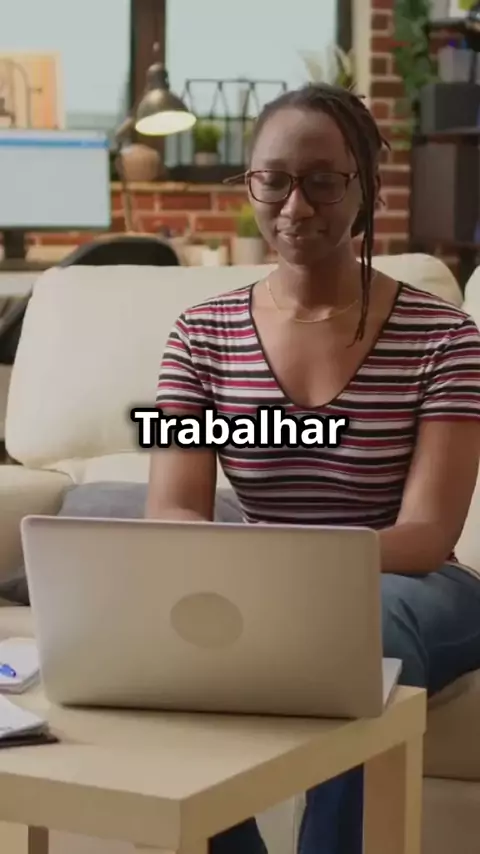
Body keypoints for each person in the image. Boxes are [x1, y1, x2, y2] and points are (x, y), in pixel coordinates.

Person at [146, 83, 480, 854]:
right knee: (167, 647)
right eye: (274, 180)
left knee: (363, 623)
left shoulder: (444, 338)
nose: (296, 206)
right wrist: (259, 572)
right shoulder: (200, 335)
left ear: (366, 187)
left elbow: (427, 535)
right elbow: (173, 511)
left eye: (323, 181)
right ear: (250, 184)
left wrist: (284, 565)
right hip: (263, 581)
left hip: (411, 588)